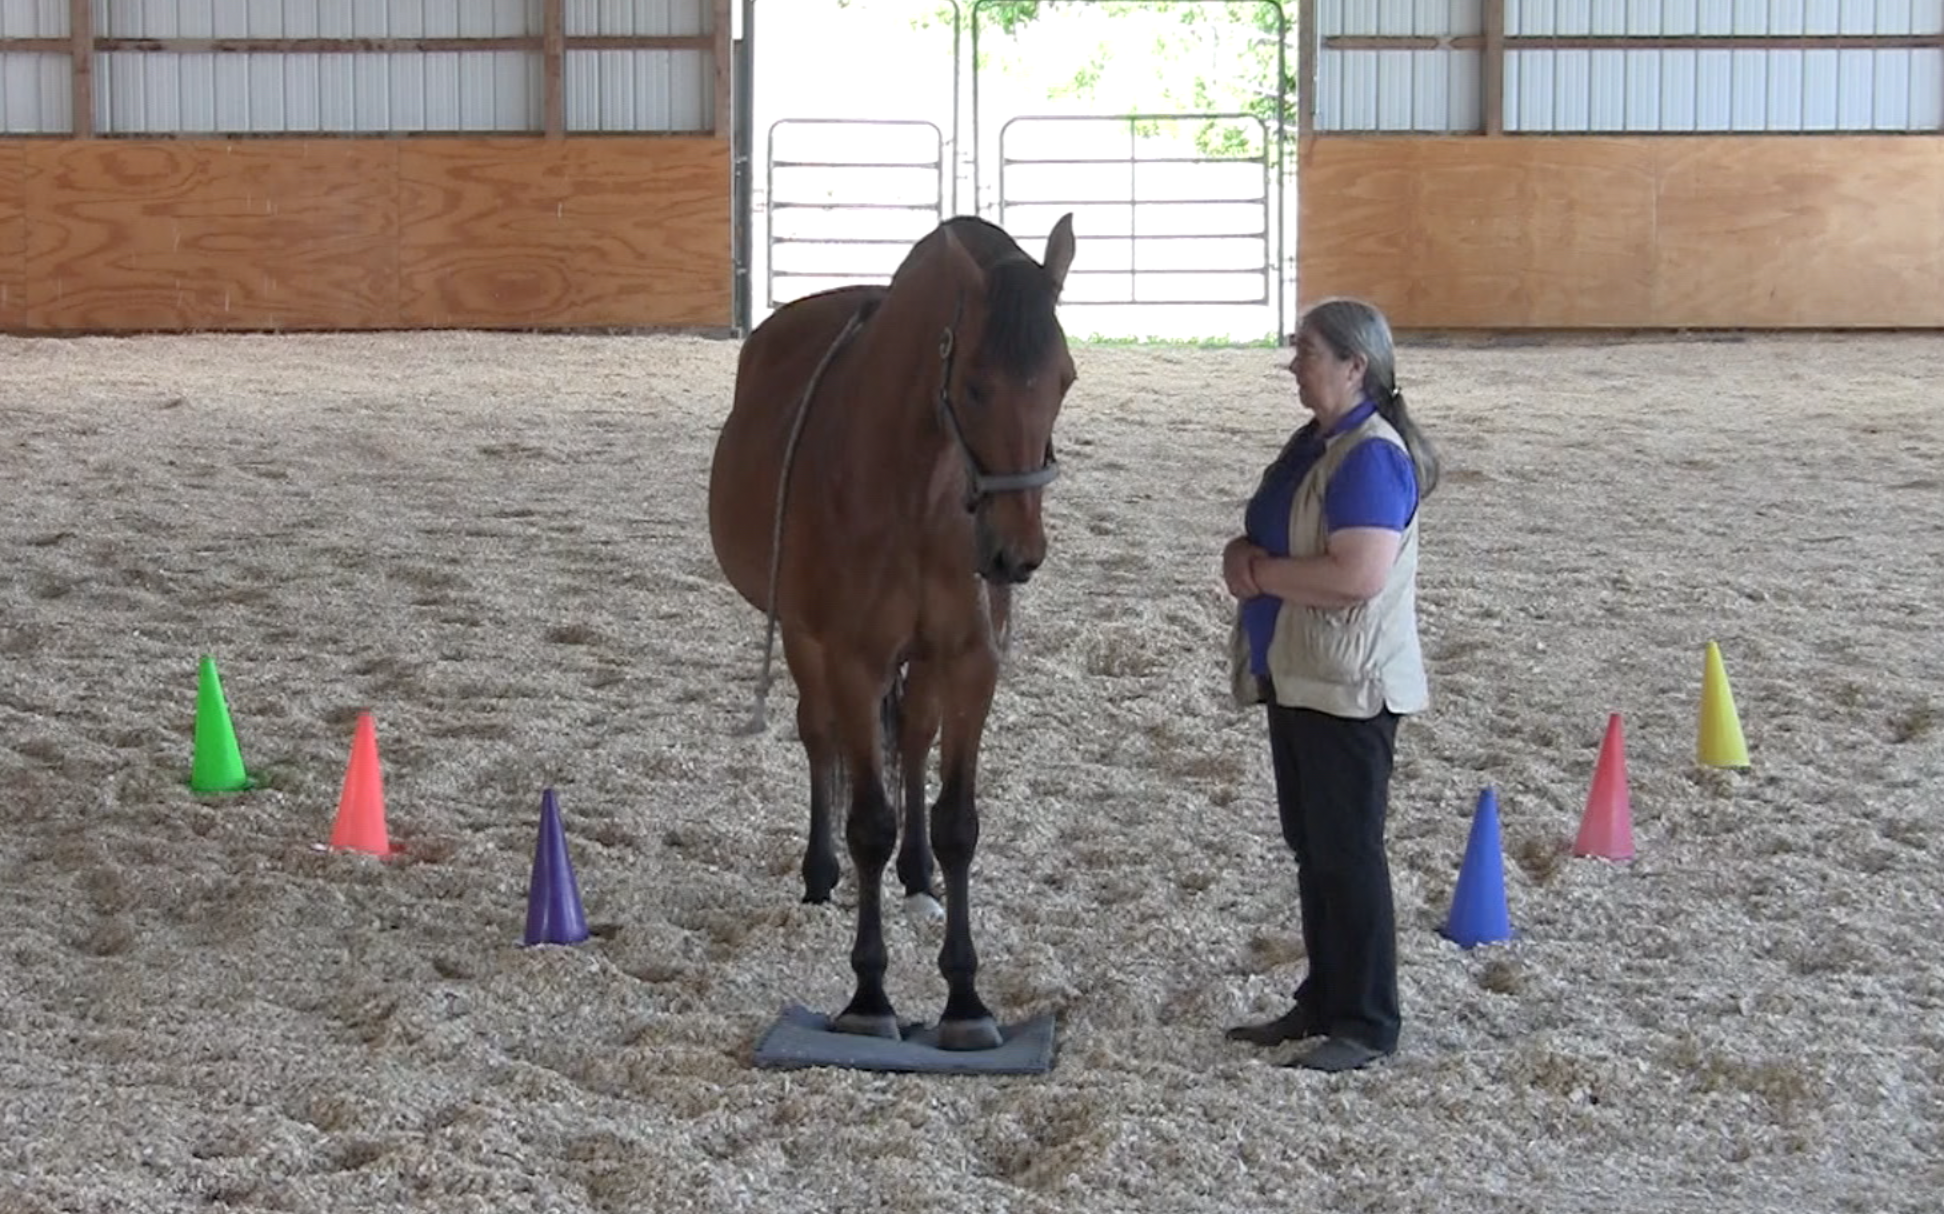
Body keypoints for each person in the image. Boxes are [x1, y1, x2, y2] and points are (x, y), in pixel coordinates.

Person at [1219, 297, 1439, 1073]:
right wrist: (1242, 555)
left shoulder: (1370, 457)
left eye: (1307, 351)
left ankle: (1369, 1020)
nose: (1294, 364)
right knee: (1314, 848)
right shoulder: (1319, 444)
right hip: (1303, 674)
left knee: (1347, 852)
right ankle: (1326, 998)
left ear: (1354, 365)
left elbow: (1356, 576)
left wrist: (1257, 572)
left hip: (1349, 683)